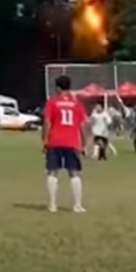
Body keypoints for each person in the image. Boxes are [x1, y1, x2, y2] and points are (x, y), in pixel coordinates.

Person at [42, 75, 87, 213]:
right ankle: (77, 205)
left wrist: (44, 140)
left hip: (55, 141)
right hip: (72, 142)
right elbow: (83, 126)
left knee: (52, 172)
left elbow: (47, 122)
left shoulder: (52, 102)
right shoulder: (77, 104)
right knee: (74, 173)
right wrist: (83, 144)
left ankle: (52, 205)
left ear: (57, 87)